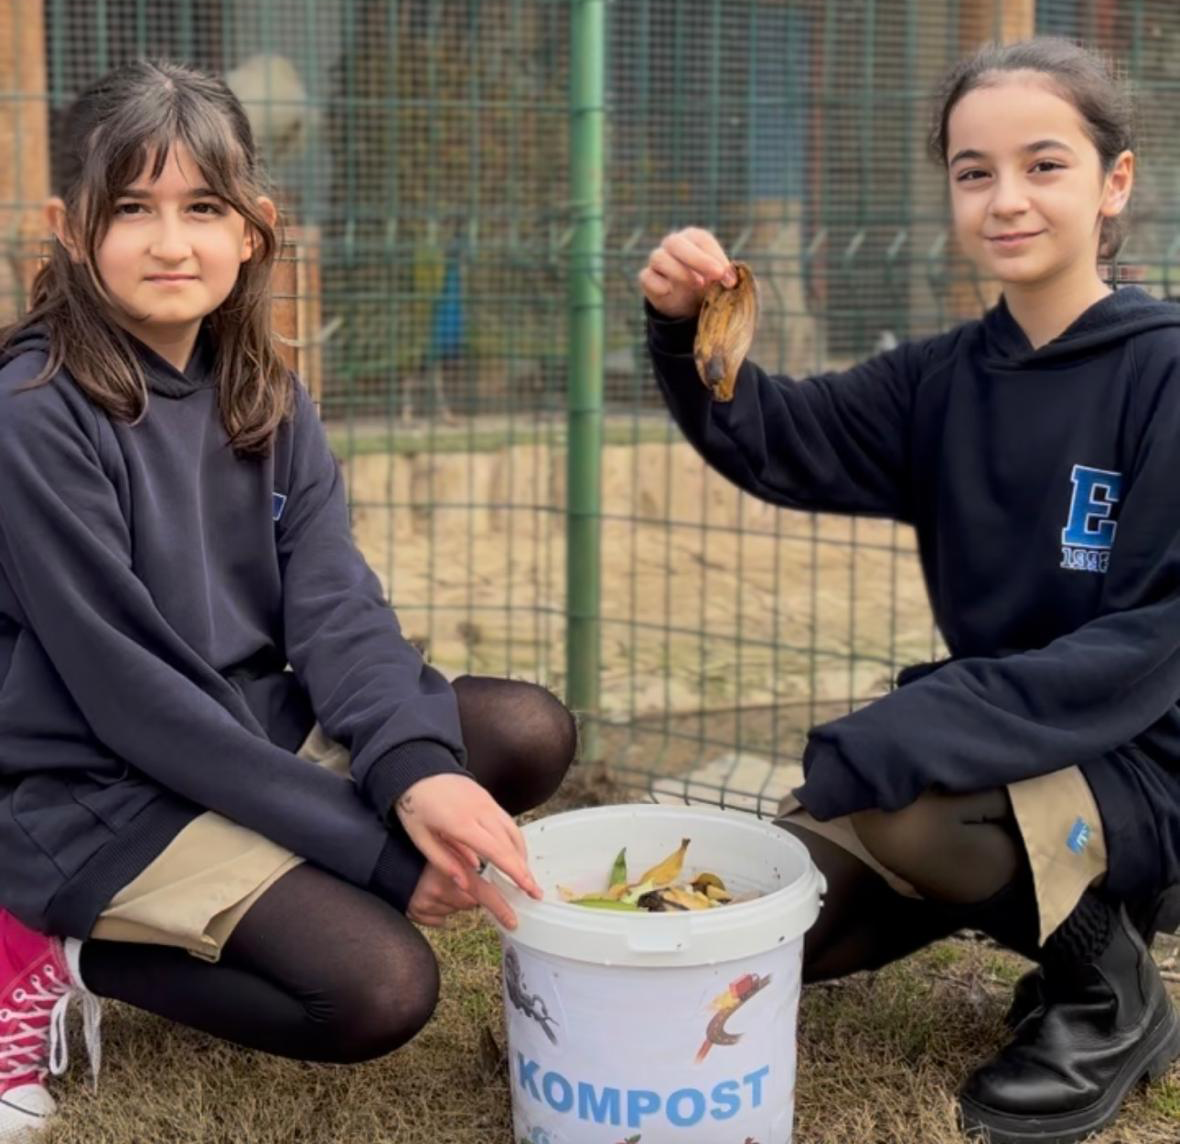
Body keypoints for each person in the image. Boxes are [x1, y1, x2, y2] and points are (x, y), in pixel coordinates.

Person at [0, 59, 575, 1139]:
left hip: (244, 730)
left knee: (523, 730)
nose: (171, 243)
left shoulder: (263, 387)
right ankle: (55, 947)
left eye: (202, 208)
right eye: (131, 208)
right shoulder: (33, 416)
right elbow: (135, 700)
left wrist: (411, 770)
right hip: (97, 783)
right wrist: (374, 856)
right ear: (67, 228)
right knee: (378, 988)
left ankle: (277, 877)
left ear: (255, 228)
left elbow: (336, 605)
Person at [642, 36, 1180, 1144]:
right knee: (776, 922)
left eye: (1044, 164)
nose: (1005, 198)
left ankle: (1109, 993)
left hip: (1148, 757)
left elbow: (1149, 642)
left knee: (905, 803)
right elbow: (780, 436)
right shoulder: (941, 378)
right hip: (1007, 745)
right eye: (974, 172)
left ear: (1114, 181)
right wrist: (687, 329)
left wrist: (923, 723)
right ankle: (1017, 884)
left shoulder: (1164, 370)